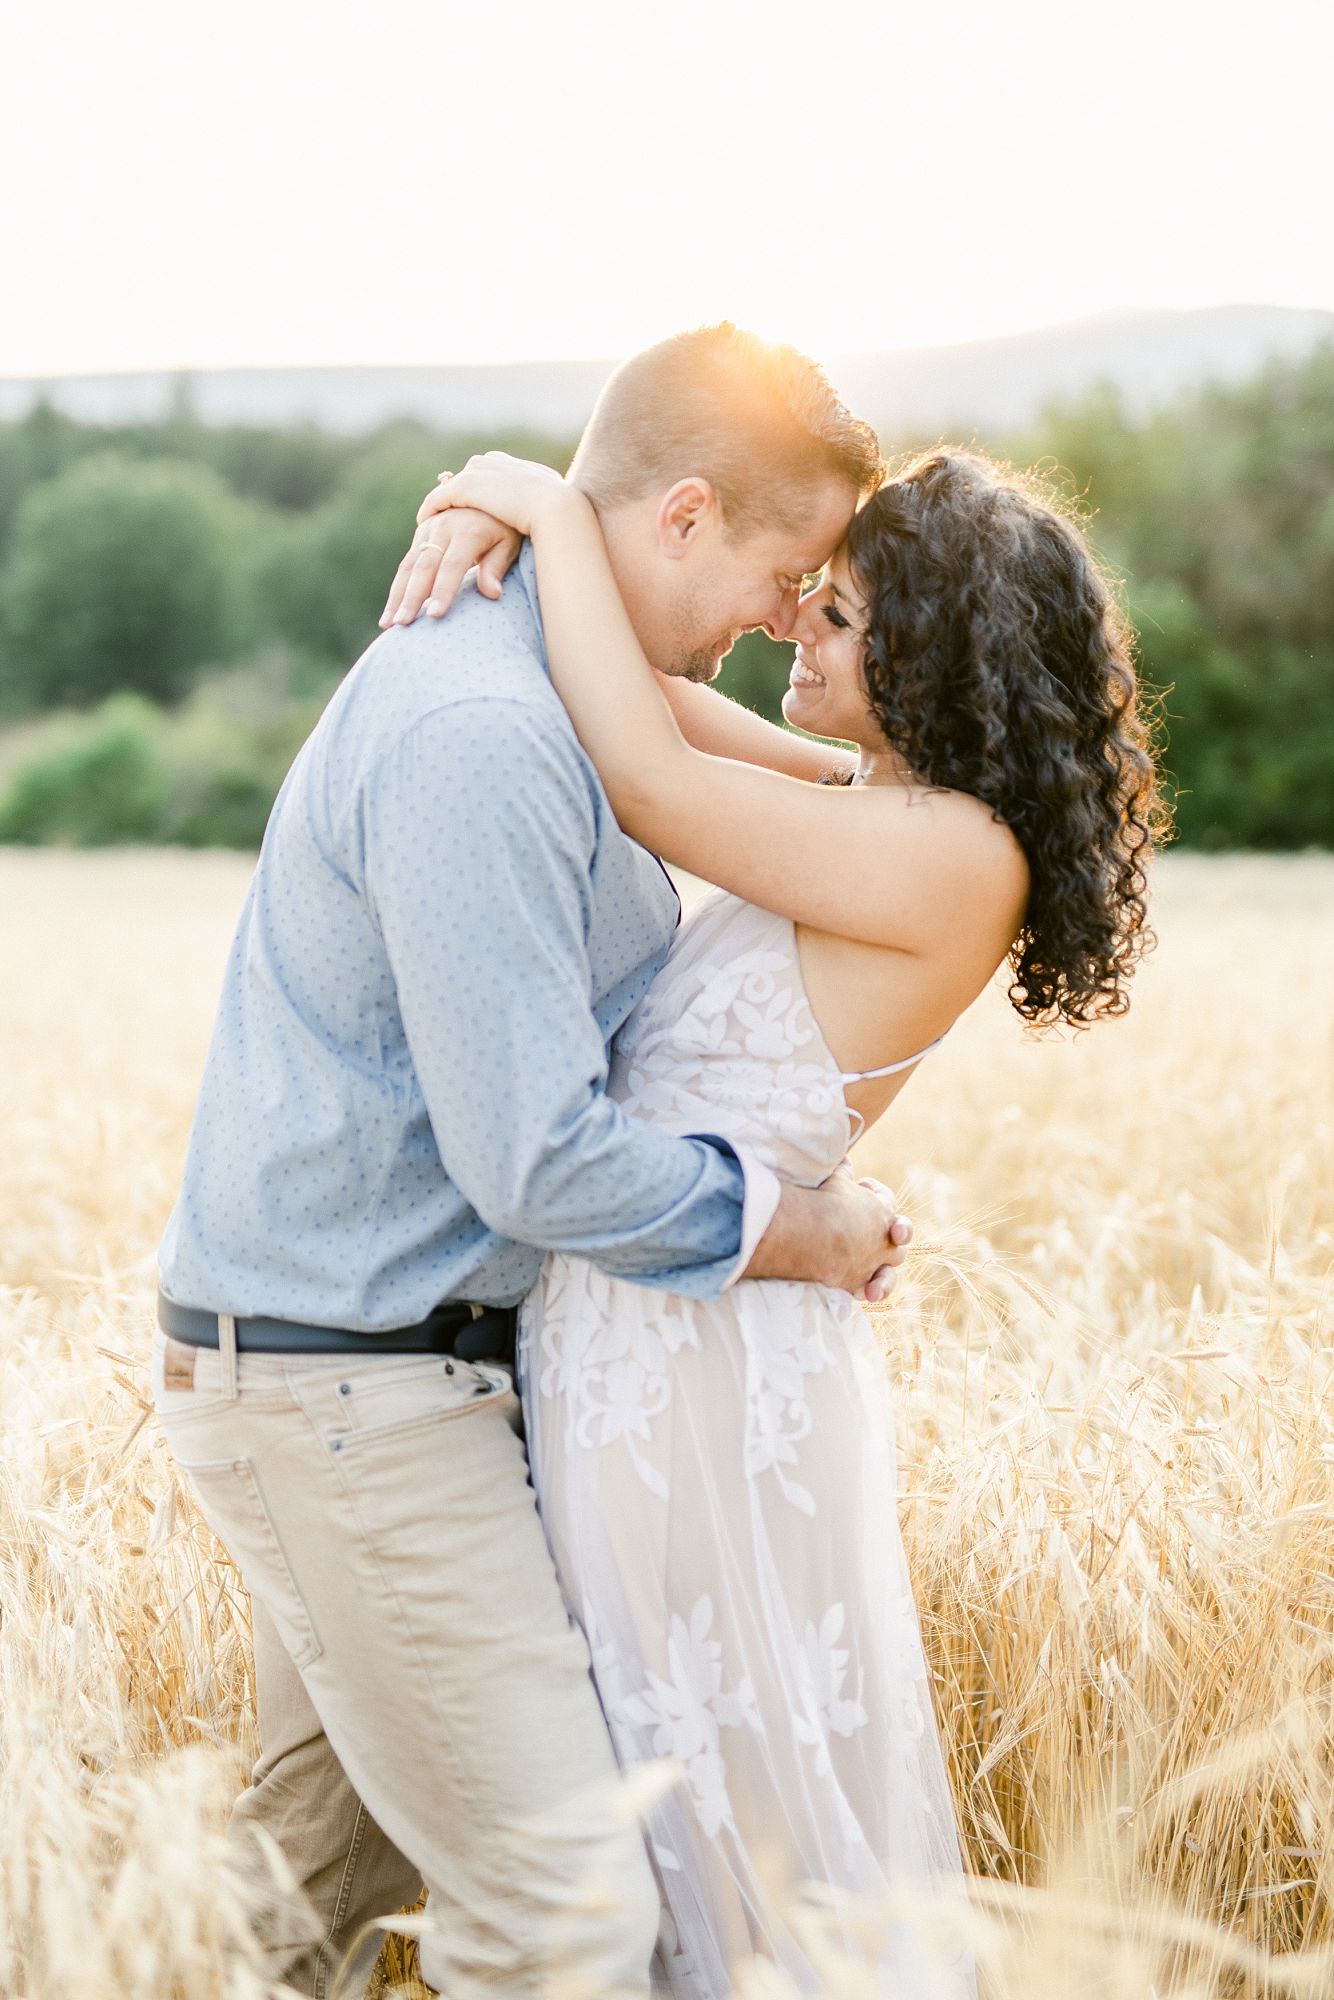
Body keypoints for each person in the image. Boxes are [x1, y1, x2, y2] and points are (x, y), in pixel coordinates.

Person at [151, 324, 917, 2000]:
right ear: (684, 516)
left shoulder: (568, 686)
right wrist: (799, 1230)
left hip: (400, 1383)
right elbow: (536, 1161)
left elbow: (858, 801)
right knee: (564, 1917)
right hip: (353, 1398)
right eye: (784, 575)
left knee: (297, 1919)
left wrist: (516, 499)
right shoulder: (485, 732)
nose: (782, 621)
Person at [380, 437, 1165, 1996]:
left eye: (840, 617)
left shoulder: (950, 856)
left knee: (714, 1799)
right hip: (655, 1321)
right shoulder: (876, 801)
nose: (794, 629)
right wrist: (540, 533)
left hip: (696, 1367)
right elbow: (659, 699)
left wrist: (537, 503)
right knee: (659, 1772)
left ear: (934, 662)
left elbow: (646, 772)